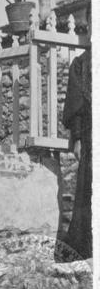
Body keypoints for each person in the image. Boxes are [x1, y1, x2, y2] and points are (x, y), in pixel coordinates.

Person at [57, 36, 92, 262]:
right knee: (89, 189)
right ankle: (86, 249)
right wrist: (77, 138)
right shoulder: (81, 63)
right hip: (92, 134)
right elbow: (76, 106)